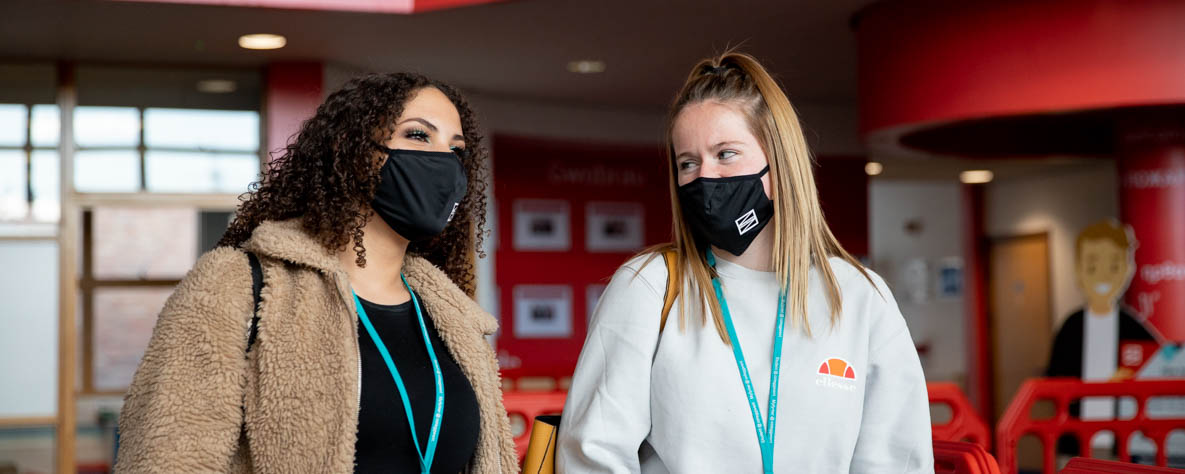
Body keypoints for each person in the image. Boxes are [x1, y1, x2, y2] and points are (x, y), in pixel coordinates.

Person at [115, 73, 518, 473]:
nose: (444, 163)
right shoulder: (238, 286)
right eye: (417, 136)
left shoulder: (454, 319)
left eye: (457, 150)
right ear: (352, 150)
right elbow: (166, 459)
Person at [557, 52, 933, 473]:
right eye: (688, 163)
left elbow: (896, 459)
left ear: (778, 162)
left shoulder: (859, 297)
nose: (705, 177)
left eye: (725, 154)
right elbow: (593, 453)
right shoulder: (649, 287)